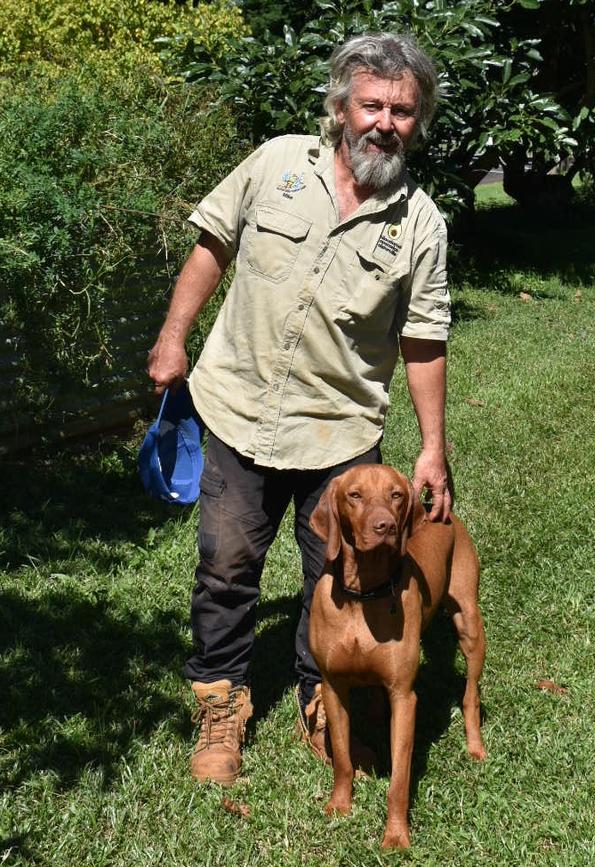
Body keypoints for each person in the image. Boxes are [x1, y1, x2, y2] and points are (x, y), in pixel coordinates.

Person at [147, 32, 452, 785]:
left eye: (403, 111)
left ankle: (324, 699)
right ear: (341, 105)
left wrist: (432, 446)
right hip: (240, 408)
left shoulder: (420, 224)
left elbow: (423, 339)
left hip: (340, 431)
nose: (385, 121)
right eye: (372, 104)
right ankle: (221, 706)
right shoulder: (277, 163)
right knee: (226, 566)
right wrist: (172, 336)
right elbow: (211, 247)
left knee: (344, 575)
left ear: (419, 121)